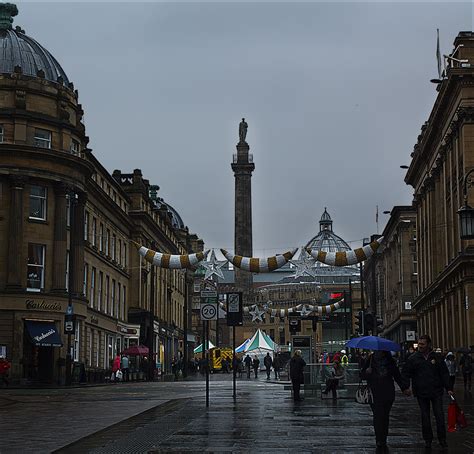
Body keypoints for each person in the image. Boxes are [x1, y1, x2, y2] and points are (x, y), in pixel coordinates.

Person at [402, 334, 453, 450]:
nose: (420, 346)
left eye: (422, 344)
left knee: (439, 415)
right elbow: (405, 373)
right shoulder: (413, 358)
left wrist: (449, 388)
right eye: (419, 344)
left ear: (428, 345)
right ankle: (428, 440)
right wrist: (405, 387)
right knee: (425, 417)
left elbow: (444, 373)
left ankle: (442, 439)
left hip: (436, 391)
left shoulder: (436, 357)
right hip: (421, 392)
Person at [361, 350, 410, 451]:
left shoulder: (390, 361)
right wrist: (367, 372)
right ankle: (379, 439)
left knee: (385, 416)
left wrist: (404, 388)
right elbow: (361, 375)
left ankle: (383, 438)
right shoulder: (370, 360)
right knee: (378, 416)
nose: (379, 353)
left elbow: (397, 375)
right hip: (374, 392)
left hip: (388, 392)